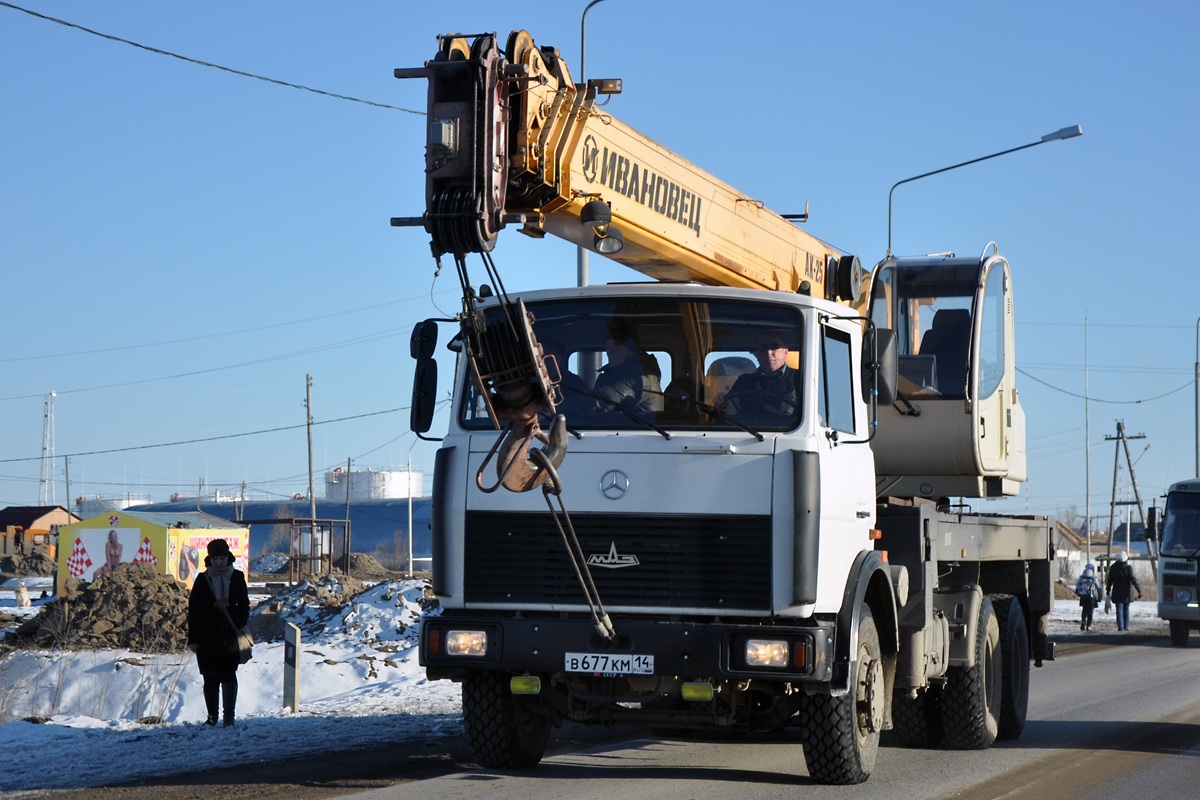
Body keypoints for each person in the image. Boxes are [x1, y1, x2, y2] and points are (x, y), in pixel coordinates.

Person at [187, 539, 250, 726]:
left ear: (228, 558)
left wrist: (237, 622)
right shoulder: (202, 579)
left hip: (229, 635)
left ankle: (228, 717)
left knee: (229, 674)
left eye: (222, 558)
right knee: (210, 677)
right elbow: (194, 610)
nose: (219, 562)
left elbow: (244, 605)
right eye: (215, 559)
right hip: (207, 637)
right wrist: (193, 638)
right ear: (210, 559)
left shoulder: (237, 577)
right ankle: (212, 717)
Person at [720, 331, 798, 418]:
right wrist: (721, 402)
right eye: (762, 347)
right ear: (756, 354)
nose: (768, 352)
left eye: (774, 346)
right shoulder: (744, 382)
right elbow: (729, 415)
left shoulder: (800, 379)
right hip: (746, 431)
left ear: (785, 352)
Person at [591, 322, 662, 415]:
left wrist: (569, 405)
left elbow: (609, 399)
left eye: (616, 344)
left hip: (639, 428)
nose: (609, 351)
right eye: (607, 346)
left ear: (631, 349)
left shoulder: (643, 375)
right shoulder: (606, 376)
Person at [1106, 550, 1142, 632]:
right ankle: (1126, 627)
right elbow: (1134, 580)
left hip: (1117, 591)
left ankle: (1120, 626)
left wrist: (1108, 590)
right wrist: (1139, 591)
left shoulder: (1113, 568)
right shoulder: (1128, 568)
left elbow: (1109, 581)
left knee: (1119, 609)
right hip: (1127, 592)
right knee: (1126, 609)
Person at [1075, 564, 1101, 631]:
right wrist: (1100, 597)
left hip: (1083, 596)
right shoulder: (1094, 578)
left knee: (1084, 610)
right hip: (1091, 597)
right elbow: (1098, 588)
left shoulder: (1081, 578)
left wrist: (1078, 593)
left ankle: (1083, 622)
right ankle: (1088, 625)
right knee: (1090, 611)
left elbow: (1077, 586)